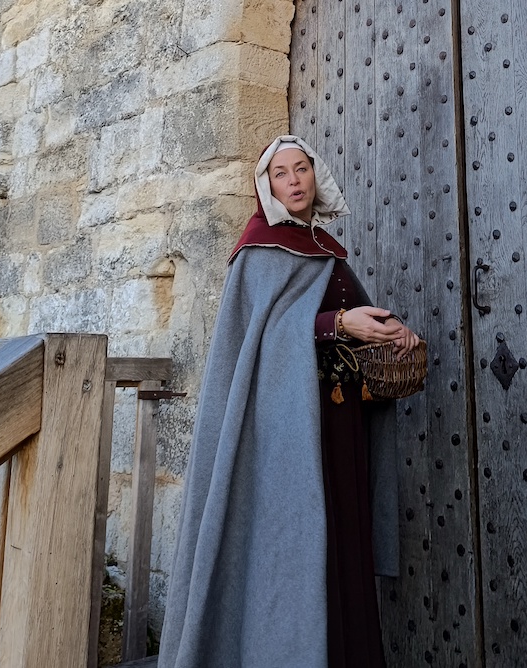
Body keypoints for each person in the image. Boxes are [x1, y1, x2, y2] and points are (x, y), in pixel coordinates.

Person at [158, 135, 420, 667]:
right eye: (282, 173)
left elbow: (350, 318)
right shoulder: (258, 252)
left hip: (339, 425)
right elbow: (262, 340)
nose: (295, 180)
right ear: (267, 186)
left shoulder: (326, 249)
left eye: (302, 169)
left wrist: (393, 334)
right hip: (288, 431)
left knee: (342, 541)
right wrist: (339, 323)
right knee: (299, 544)